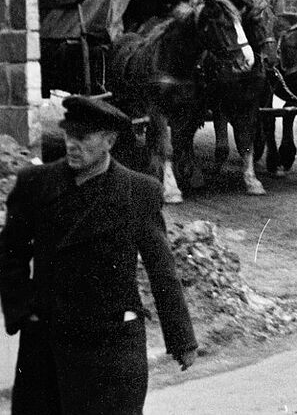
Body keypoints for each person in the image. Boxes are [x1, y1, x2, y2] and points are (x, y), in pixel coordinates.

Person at [0, 96, 199, 412]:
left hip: (112, 347)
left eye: (83, 137)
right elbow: (10, 256)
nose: (72, 145)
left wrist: (181, 340)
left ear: (109, 140)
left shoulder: (139, 191)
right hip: (47, 344)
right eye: (68, 135)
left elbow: (161, 269)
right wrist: (24, 313)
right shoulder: (34, 184)